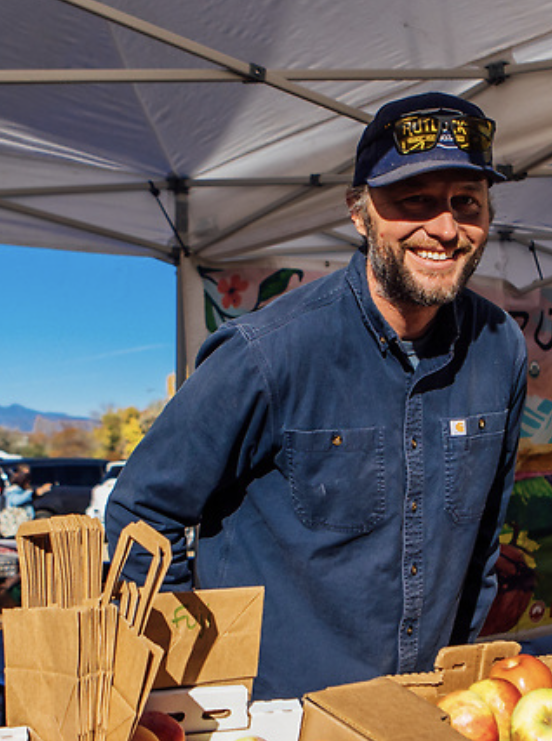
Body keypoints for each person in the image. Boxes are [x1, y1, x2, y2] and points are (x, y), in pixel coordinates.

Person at [103, 92, 529, 700]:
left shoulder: (499, 348)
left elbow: (484, 539)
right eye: (415, 202)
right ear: (360, 213)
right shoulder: (268, 350)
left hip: (429, 716)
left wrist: (456, 686)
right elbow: (140, 516)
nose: (444, 227)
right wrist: (191, 691)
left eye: (467, 203)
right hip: (279, 736)